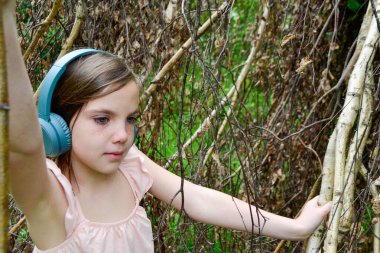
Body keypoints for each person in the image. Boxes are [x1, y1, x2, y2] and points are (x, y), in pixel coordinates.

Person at [3, 1, 332, 252]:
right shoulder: (50, 197)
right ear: (56, 125)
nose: (122, 135)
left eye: (130, 118)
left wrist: (296, 227)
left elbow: (198, 200)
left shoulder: (130, 166)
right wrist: (5, 18)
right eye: (102, 119)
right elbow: (22, 143)